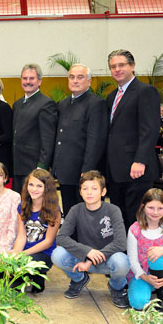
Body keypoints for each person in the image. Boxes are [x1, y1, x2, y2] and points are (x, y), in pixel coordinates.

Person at [51, 170, 129, 308]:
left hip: (108, 260)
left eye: (94, 188)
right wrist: (87, 252)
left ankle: (117, 287)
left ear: (103, 192)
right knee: (57, 254)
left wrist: (90, 259)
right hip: (83, 261)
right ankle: (79, 279)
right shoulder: (76, 210)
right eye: (85, 188)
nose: (89, 192)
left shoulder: (113, 210)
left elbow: (121, 242)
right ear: (80, 192)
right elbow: (61, 238)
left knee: (122, 261)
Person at [106, 49, 161, 232]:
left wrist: (140, 160)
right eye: (113, 66)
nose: (117, 69)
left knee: (137, 219)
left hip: (136, 170)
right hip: (115, 171)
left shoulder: (146, 91)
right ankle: (123, 257)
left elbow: (150, 129)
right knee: (120, 219)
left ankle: (138, 258)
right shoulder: (111, 96)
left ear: (132, 66)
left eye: (122, 65)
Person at [53, 64, 107, 216]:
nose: (75, 81)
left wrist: (87, 170)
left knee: (85, 216)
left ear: (89, 81)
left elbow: (96, 140)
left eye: (80, 77)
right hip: (65, 172)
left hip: (83, 173)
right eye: (72, 77)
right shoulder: (63, 104)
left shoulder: (96, 104)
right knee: (70, 214)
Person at [127, 188, 163, 312]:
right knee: (139, 304)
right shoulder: (134, 229)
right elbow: (132, 260)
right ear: (143, 207)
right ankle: (148, 288)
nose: (155, 212)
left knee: (157, 254)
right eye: (151, 207)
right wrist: (145, 277)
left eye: (160, 208)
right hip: (141, 275)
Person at [12, 64, 57, 194]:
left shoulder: (46, 104)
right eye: (24, 78)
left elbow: (48, 139)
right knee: (20, 207)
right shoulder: (17, 104)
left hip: (33, 166)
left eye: (31, 78)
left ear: (40, 81)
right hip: (17, 166)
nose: (28, 82)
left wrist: (41, 167)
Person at [15, 168, 61, 293]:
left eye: (39, 186)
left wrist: (23, 255)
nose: (34, 189)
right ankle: (28, 276)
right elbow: (21, 236)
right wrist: (15, 253)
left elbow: (48, 241)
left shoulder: (54, 210)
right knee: (3, 273)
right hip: (25, 252)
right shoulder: (22, 206)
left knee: (24, 268)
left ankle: (38, 276)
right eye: (31, 184)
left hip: (43, 254)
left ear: (47, 188)